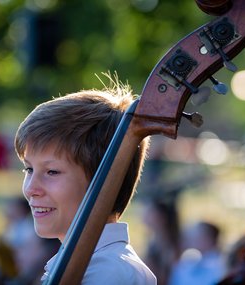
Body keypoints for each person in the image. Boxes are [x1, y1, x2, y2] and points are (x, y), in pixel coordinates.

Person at [13, 76, 156, 284]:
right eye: (29, 169)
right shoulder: (85, 266)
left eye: (52, 171)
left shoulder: (109, 274)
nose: (31, 189)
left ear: (105, 179)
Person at [169, 221, 225, 285]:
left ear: (208, 239)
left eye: (196, 236)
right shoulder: (186, 264)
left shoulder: (220, 266)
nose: (190, 240)